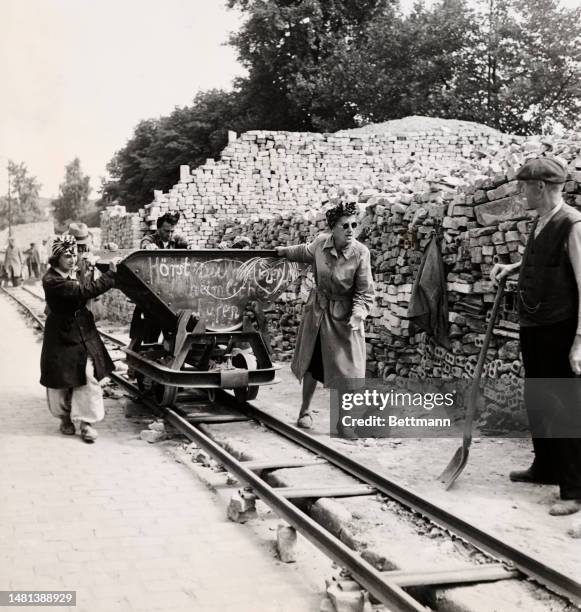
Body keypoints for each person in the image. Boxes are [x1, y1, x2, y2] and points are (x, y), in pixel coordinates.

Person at [491, 156, 581, 516]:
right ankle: (545, 467)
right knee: (538, 398)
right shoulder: (542, 221)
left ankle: (575, 488)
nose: (521, 192)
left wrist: (580, 341)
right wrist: (512, 267)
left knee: (567, 407)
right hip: (536, 324)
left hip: (561, 328)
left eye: (525, 186)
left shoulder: (572, 224)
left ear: (540, 188)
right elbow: (543, 260)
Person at [275, 200, 375, 429]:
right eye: (345, 226)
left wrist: (358, 314)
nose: (351, 230)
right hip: (318, 312)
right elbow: (303, 251)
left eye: (354, 225)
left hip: (344, 316)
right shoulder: (321, 244)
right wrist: (282, 252)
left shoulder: (361, 253)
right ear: (333, 228)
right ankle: (305, 411)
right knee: (313, 361)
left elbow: (364, 291)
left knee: (345, 368)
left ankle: (342, 421)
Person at [40, 235, 119, 443]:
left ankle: (86, 423)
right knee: (60, 380)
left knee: (88, 374)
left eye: (73, 254)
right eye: (67, 256)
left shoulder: (72, 273)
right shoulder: (51, 280)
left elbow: (84, 286)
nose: (72, 259)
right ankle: (64, 417)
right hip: (60, 333)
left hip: (82, 331)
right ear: (56, 258)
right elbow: (84, 291)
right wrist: (110, 275)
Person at [129, 212, 188, 345]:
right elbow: (145, 242)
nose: (170, 234)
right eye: (166, 231)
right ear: (158, 229)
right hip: (153, 294)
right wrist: (147, 248)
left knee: (172, 330)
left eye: (172, 231)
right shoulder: (151, 239)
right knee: (150, 332)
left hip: (171, 294)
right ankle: (149, 349)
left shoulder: (177, 241)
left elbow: (188, 248)